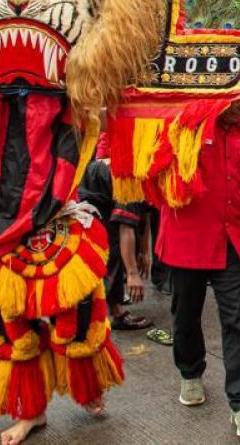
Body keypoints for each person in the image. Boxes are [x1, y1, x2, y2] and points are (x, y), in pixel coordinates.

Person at [157, 93, 240, 440]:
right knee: (186, 314)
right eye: (238, 96)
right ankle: (190, 372)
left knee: (237, 319)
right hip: (186, 239)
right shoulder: (185, 125)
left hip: (231, 238)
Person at [78, 136, 153, 331]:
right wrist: (133, 273)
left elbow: (144, 214)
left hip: (103, 184)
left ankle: (106, 303)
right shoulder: (132, 176)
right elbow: (126, 227)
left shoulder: (149, 172)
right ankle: (115, 312)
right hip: (94, 196)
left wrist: (145, 251)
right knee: (112, 246)